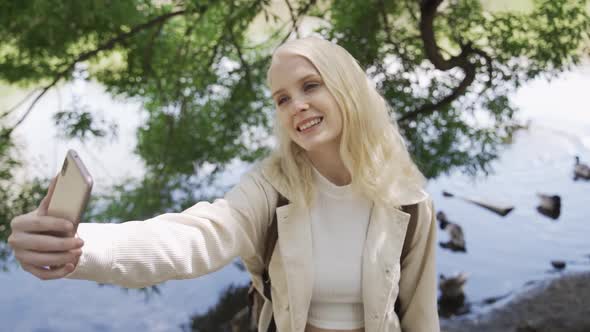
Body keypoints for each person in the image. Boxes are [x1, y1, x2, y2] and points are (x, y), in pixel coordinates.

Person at [8, 37, 439, 332]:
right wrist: (79, 246)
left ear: (348, 90)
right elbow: (194, 238)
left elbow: (421, 317)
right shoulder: (271, 189)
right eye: (282, 98)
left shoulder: (410, 202)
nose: (297, 106)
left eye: (310, 86)